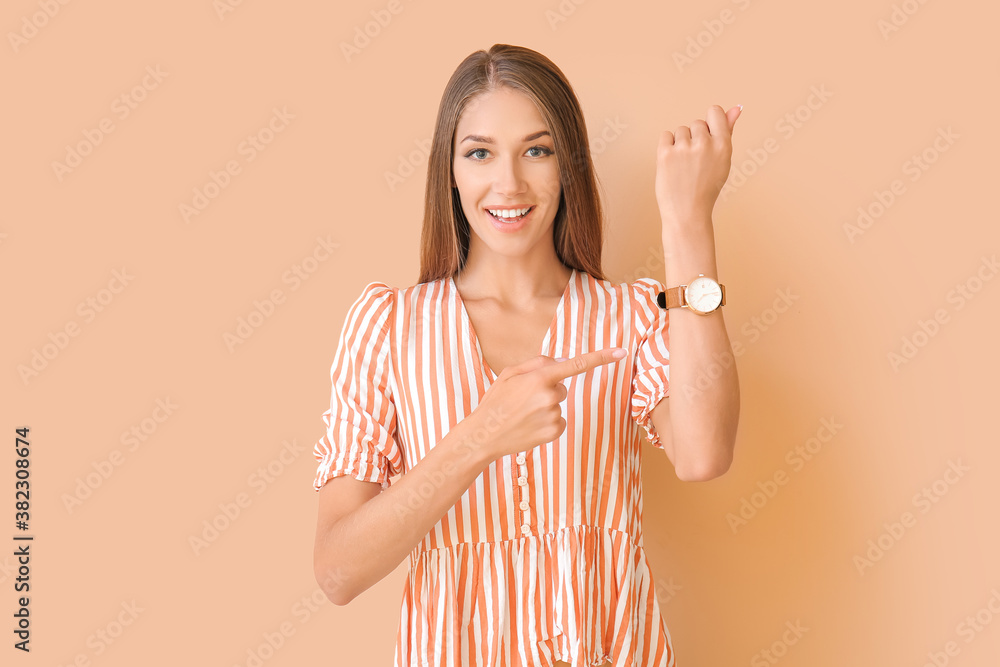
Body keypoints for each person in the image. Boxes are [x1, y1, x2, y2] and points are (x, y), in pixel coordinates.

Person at [312, 43, 741, 667]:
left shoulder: (631, 316)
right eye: (479, 152)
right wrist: (482, 434)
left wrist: (687, 221)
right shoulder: (388, 327)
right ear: (450, 171)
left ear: (567, 164)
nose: (507, 184)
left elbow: (704, 454)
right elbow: (337, 572)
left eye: (536, 150)